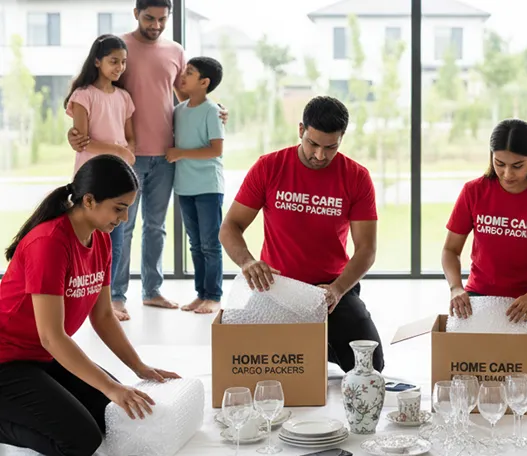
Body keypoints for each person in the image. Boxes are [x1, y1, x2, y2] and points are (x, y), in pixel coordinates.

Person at [0, 155, 179, 456]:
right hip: (7, 361)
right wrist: (110, 386)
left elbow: (104, 315)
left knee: (112, 414)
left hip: (41, 356)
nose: (125, 218)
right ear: (89, 200)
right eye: (119, 208)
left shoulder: (101, 240)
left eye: (128, 208)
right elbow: (52, 336)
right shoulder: (49, 243)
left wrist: (139, 367)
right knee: (82, 440)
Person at [67, 0, 228, 319]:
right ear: (136, 14)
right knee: (121, 228)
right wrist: (77, 134)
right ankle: (116, 295)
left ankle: (152, 290)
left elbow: (188, 96)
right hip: (128, 158)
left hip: (165, 153)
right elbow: (100, 92)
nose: (156, 25)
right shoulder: (120, 48)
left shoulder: (175, 51)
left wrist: (216, 110)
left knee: (156, 226)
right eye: (149, 18)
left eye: (162, 19)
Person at [219, 96, 384, 373]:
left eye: (330, 147)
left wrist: (337, 289)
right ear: (300, 130)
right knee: (248, 362)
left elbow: (366, 249)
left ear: (341, 139)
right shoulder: (269, 167)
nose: (320, 155)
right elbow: (230, 226)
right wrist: (247, 261)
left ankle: (316, 344)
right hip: (277, 288)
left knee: (370, 366)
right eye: (313, 144)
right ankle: (308, 345)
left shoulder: (356, 177)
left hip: (330, 290)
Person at [442, 119, 527, 392]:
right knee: (473, 377)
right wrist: (456, 287)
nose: (507, 174)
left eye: (517, 165)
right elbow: (450, 250)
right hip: (481, 297)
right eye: (499, 163)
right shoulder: (473, 191)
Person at [64, 34, 137, 322]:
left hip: (119, 176)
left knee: (114, 241)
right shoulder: (83, 95)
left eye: (123, 62)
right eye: (113, 61)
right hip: (92, 177)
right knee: (84, 240)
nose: (119, 67)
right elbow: (83, 141)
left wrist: (128, 153)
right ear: (97, 61)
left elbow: (130, 138)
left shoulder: (124, 97)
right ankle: (79, 297)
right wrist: (118, 150)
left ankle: (108, 302)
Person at [167, 56, 225, 314]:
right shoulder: (179, 111)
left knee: (210, 244)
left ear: (204, 82)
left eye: (189, 72)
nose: (183, 76)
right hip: (185, 187)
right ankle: (201, 294)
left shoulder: (213, 111)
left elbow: (216, 149)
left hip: (208, 187)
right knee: (195, 244)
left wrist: (181, 153)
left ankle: (214, 296)